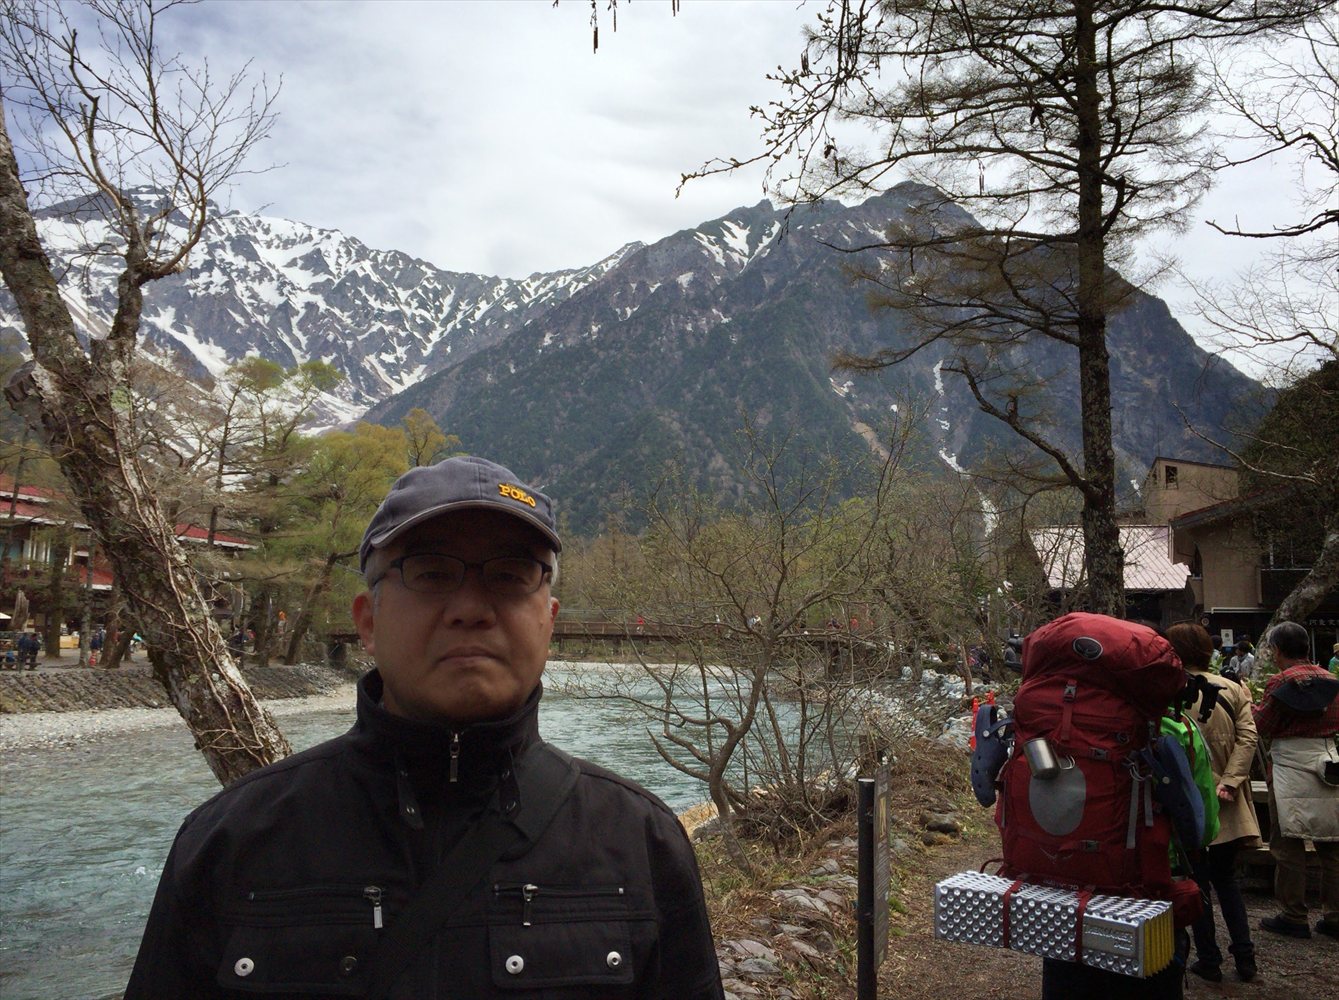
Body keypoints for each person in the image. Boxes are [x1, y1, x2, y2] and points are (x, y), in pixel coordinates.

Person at [125, 455, 725, 999]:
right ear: (368, 621)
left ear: (548, 621)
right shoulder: (229, 842)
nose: (471, 608)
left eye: (510, 575)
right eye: (431, 573)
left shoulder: (642, 843)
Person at [1166, 622, 1261, 982]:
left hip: (1188, 801)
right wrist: (1232, 781)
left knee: (1197, 882)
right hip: (1228, 799)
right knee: (1227, 880)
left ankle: (1209, 959)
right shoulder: (1234, 688)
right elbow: (1249, 738)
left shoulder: (1170, 690)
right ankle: (1246, 958)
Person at [1253, 621, 1339, 941]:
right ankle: (1335, 916)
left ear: (1277, 650)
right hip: (1327, 761)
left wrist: (1248, 705)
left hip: (1289, 765)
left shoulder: (1280, 682)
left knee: (1288, 843)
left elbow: (1262, 724)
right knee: (1332, 842)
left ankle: (1294, 915)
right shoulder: (1331, 680)